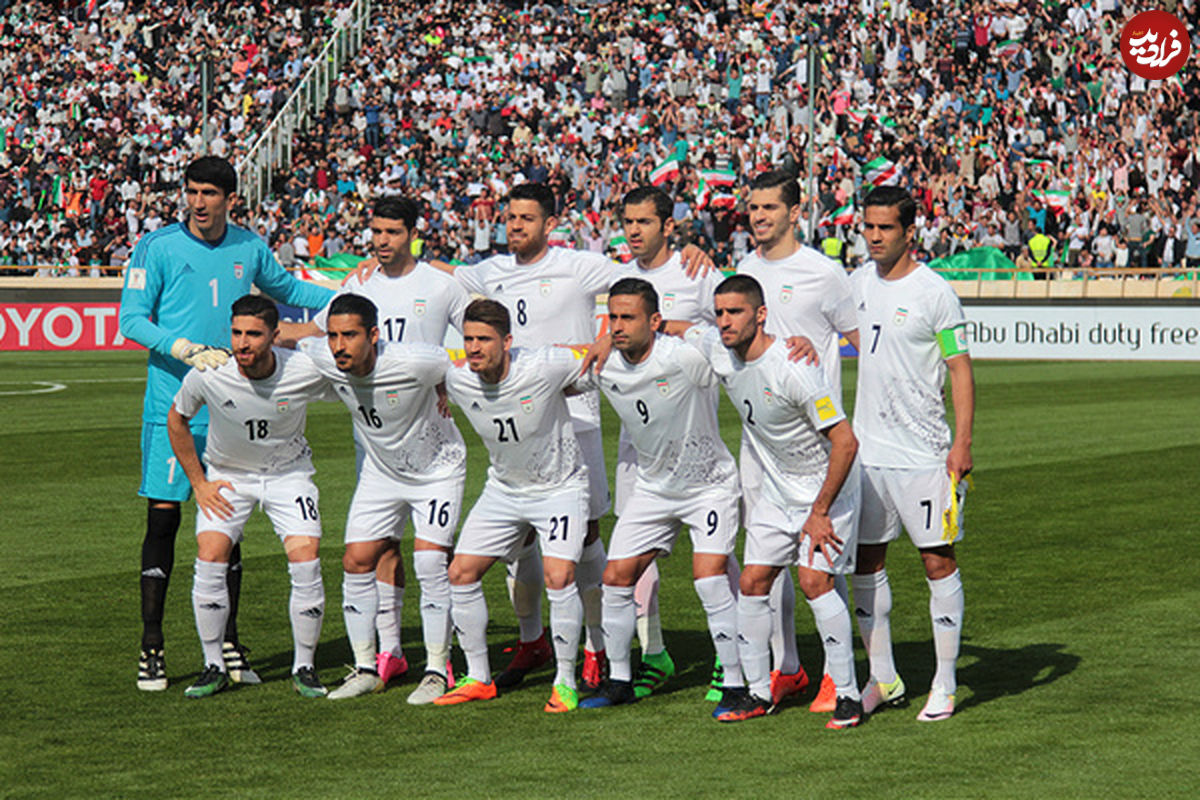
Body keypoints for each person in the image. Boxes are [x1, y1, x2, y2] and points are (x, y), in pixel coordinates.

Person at [119, 156, 334, 692]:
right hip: (174, 398)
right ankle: (153, 646)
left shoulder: (248, 247)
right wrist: (183, 348)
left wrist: (345, 299)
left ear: (228, 198)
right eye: (191, 191)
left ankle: (229, 643)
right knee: (164, 520)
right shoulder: (157, 246)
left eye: (209, 193)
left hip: (230, 405)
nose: (197, 202)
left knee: (225, 527)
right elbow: (130, 318)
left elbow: (287, 288)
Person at [282, 196, 469, 693]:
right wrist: (270, 337)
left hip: (430, 443)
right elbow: (319, 332)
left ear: (413, 232)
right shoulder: (357, 284)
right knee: (372, 552)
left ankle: (439, 664)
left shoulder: (441, 284)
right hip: (378, 448)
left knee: (430, 559)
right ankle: (383, 658)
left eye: (392, 232)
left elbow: (474, 335)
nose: (382, 241)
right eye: (376, 232)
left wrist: (446, 383)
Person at [683, 275, 863, 728]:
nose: (724, 321)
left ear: (760, 315)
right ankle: (757, 692)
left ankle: (847, 694)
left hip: (827, 490)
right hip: (778, 491)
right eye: (719, 312)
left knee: (813, 583)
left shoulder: (794, 367)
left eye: (735, 312)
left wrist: (820, 512)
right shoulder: (718, 349)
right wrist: (609, 340)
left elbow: (845, 442)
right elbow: (671, 327)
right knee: (752, 582)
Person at [576, 278, 744, 716]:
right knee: (615, 578)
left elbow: (737, 347)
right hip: (653, 488)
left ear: (654, 321)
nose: (616, 327)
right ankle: (619, 681)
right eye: (611, 318)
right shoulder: (604, 365)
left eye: (627, 317)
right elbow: (550, 363)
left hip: (709, 484)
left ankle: (736, 680)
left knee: (708, 577)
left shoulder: (685, 357)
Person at [736, 169, 861, 713]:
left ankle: (841, 676)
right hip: (760, 445)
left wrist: (814, 343)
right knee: (766, 564)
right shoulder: (743, 269)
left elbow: (863, 342)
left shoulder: (823, 273)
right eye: (753, 208)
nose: (759, 216)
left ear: (795, 210)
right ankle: (786, 667)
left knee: (822, 568)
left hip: (818, 443)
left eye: (769, 207)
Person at [849, 186, 975, 722]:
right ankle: (884, 678)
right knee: (865, 561)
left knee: (936, 559)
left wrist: (961, 441)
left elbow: (960, 368)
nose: (875, 237)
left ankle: (944, 683)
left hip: (923, 453)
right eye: (869, 227)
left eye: (885, 228)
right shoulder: (854, 283)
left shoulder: (935, 293)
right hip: (866, 453)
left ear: (908, 231)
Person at [166, 295, 331, 699]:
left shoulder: (305, 369)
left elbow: (357, 381)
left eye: (254, 334)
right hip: (229, 478)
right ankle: (212, 665)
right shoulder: (210, 371)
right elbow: (177, 419)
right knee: (210, 555)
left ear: (276, 336)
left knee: (305, 558)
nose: (243, 342)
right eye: (237, 332)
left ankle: (305, 667)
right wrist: (200, 482)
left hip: (288, 475)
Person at [434, 299, 591, 713]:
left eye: (483, 340)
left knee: (560, 575)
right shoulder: (458, 378)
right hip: (504, 490)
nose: (473, 348)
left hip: (559, 488)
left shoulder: (543, 366)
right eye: (467, 339)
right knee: (461, 572)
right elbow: (426, 372)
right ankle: (479, 677)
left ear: (507, 341)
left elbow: (597, 361)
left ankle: (565, 681)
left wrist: (608, 341)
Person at [607, 186, 726, 700]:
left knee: (717, 559)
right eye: (627, 221)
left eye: (644, 222)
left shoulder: (697, 272)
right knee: (636, 561)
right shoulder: (616, 279)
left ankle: (730, 657)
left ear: (668, 225)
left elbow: (730, 326)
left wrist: (670, 326)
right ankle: (654, 653)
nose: (634, 231)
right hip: (637, 444)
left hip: (695, 443)